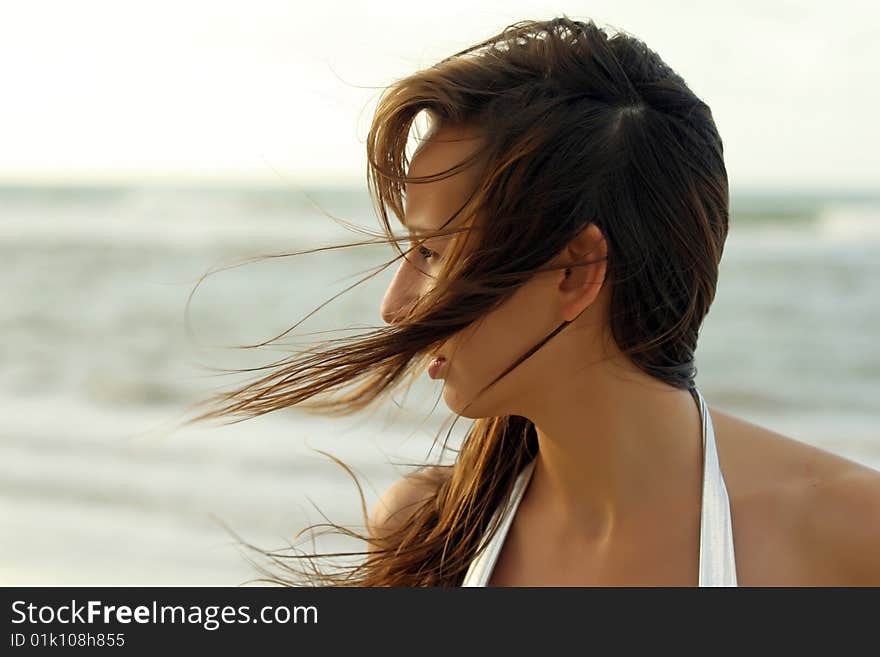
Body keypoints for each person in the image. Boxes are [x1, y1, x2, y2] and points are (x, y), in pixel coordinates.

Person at [185, 16, 880, 586]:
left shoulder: (854, 537)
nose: (394, 305)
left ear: (577, 270)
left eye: (431, 253)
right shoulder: (425, 534)